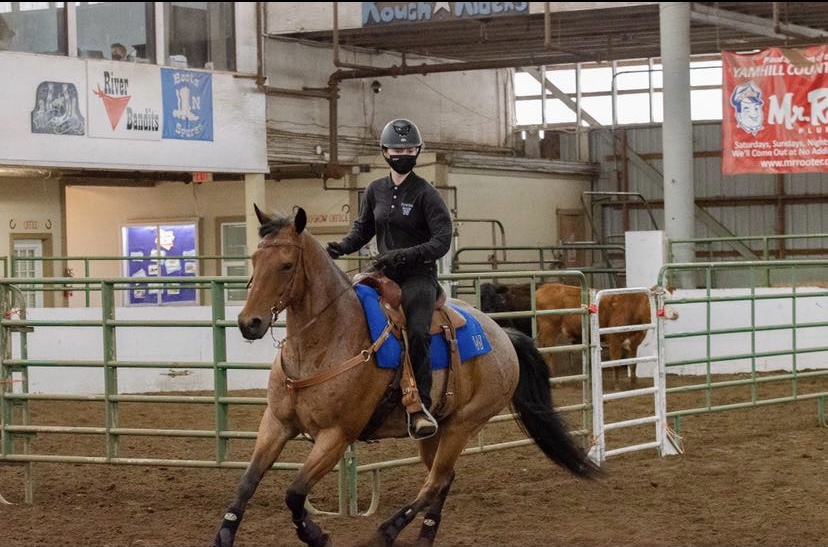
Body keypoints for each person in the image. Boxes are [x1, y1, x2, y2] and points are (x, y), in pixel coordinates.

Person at [326, 118, 453, 440]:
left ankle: (421, 405)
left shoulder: (426, 193)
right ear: (384, 152)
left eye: (409, 149)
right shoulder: (375, 190)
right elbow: (363, 229)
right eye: (397, 149)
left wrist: (403, 255)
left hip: (418, 277)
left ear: (418, 151)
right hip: (381, 275)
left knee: (420, 332)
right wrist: (340, 248)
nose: (402, 154)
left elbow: (442, 240)